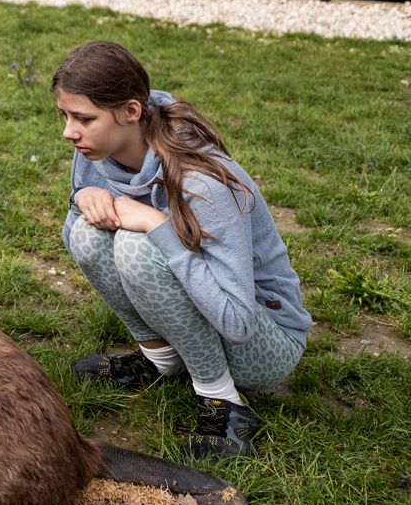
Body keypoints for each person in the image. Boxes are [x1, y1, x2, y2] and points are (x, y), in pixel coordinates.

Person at [52, 42, 311, 458]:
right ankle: (161, 360)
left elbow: (237, 321)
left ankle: (222, 400)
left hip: (263, 343)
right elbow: (76, 240)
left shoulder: (203, 183)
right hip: (206, 317)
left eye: (83, 118)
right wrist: (83, 199)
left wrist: (158, 228)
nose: (69, 131)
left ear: (131, 111)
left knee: (138, 247)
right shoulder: (96, 151)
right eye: (65, 116)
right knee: (87, 232)